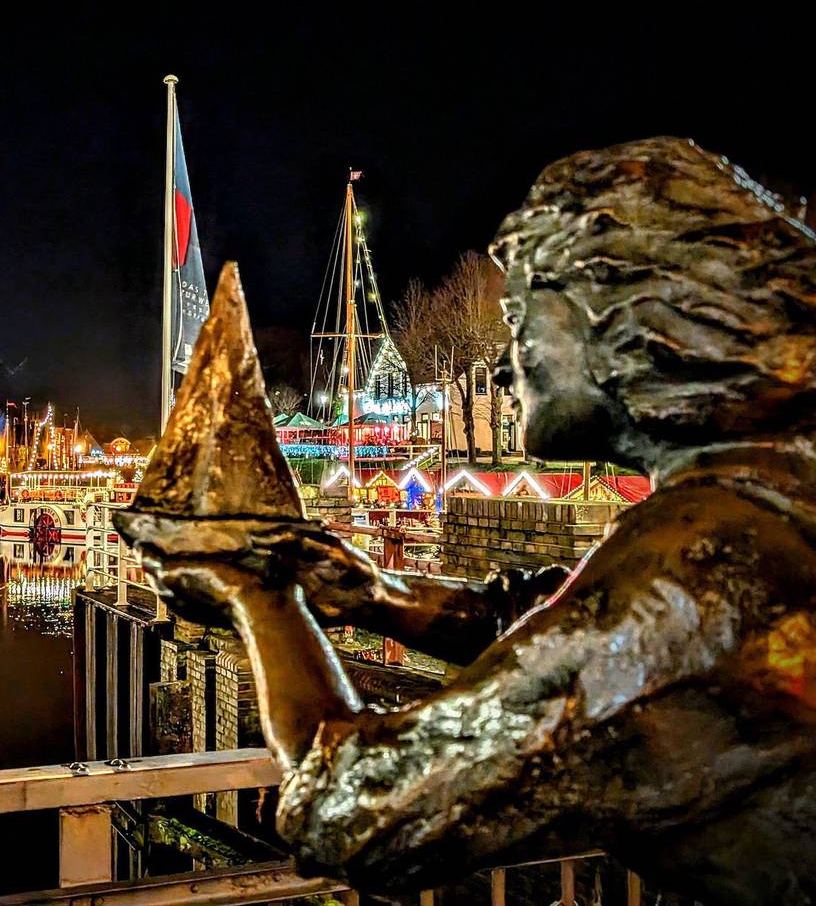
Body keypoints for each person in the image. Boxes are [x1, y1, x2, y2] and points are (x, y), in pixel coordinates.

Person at [118, 138, 816, 906]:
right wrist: (365, 590)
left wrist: (257, 586)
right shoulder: (765, 505)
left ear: (621, 311)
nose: (512, 353)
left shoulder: (696, 570)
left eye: (522, 313)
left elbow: (350, 808)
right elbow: (535, 620)